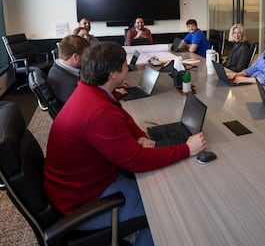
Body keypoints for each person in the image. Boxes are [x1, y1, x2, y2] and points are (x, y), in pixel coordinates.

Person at [44, 42, 206, 245]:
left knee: (163, 183)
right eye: (124, 65)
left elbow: (121, 115)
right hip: (84, 202)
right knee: (166, 206)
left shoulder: (90, 90)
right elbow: (136, 161)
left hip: (84, 185)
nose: (127, 67)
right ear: (113, 73)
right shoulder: (98, 113)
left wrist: (140, 136)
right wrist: (187, 149)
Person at [47, 35, 89, 103]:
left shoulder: (56, 69)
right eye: (87, 55)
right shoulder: (71, 85)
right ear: (75, 57)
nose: (88, 59)